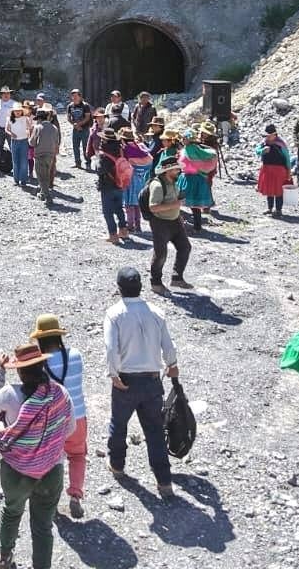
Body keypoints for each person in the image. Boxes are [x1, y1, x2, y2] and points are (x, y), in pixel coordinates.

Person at [0, 342, 72, 569]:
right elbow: (70, 428)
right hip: (51, 469)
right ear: (43, 366)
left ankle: (5, 558)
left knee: (12, 512)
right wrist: (46, 444)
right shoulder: (60, 394)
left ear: (20, 371)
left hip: (17, 471)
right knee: (43, 526)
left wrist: (0, 370)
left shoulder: (9, 395)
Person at [103, 267, 177, 497]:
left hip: (126, 380)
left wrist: (113, 374)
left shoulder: (114, 314)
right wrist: (172, 364)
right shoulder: (156, 312)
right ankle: (164, 481)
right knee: (154, 430)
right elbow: (168, 345)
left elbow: (111, 348)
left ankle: (117, 465)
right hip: (153, 381)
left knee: (119, 424)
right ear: (141, 287)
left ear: (119, 289)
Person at [31, 315, 87, 518]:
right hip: (78, 415)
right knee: (77, 455)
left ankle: (51, 502)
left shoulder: (38, 365)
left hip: (52, 420)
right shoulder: (76, 355)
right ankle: (75, 496)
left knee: (50, 461)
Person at [141, 150, 190, 296]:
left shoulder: (173, 181)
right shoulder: (157, 185)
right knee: (161, 253)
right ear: (168, 170)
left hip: (174, 221)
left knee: (185, 247)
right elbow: (153, 207)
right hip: (160, 223)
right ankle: (155, 283)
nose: (179, 171)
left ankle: (177, 277)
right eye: (176, 169)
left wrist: (177, 208)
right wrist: (175, 205)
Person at [94, 143, 127, 244]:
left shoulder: (104, 156)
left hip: (108, 187)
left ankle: (113, 235)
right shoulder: (120, 152)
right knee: (119, 209)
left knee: (108, 212)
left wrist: (96, 160)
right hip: (119, 184)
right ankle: (123, 231)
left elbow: (100, 170)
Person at [257, 126, 292, 217]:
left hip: (279, 170)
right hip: (267, 169)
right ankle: (270, 208)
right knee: (269, 189)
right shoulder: (264, 143)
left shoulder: (280, 144)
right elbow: (257, 151)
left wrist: (289, 171)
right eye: (266, 135)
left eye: (269, 135)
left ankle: (279, 209)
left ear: (274, 135)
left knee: (278, 190)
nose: (267, 137)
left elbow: (287, 158)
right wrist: (262, 151)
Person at [31, 109, 61, 204]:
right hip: (51, 154)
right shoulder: (54, 127)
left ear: (39, 119)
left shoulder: (37, 127)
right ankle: (42, 193)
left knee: (40, 176)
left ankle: (48, 197)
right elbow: (57, 142)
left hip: (40, 154)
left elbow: (32, 142)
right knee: (47, 175)